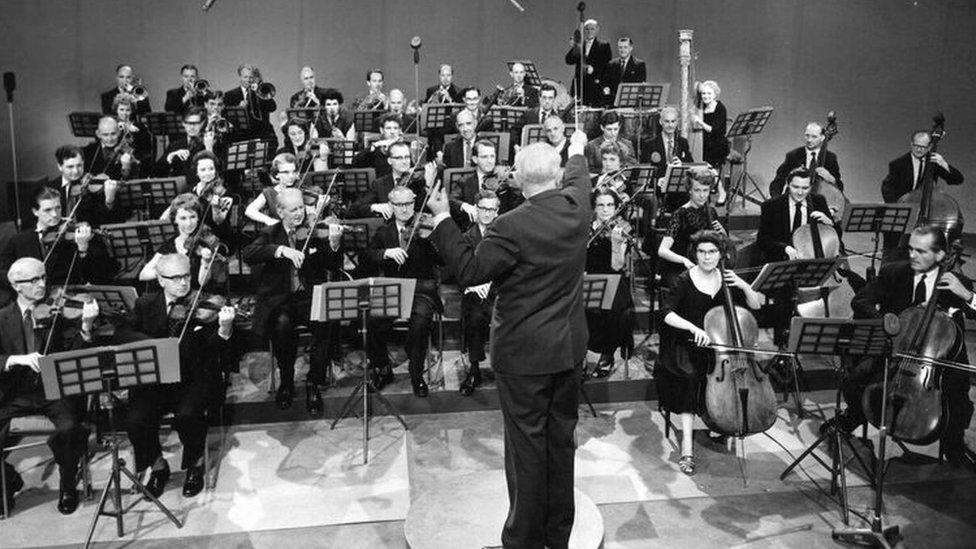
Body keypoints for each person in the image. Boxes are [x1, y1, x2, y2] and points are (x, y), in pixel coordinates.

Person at [424, 129, 590, 548]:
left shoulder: (510, 225)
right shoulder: (578, 207)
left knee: (526, 450)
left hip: (525, 356)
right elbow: (579, 174)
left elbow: (470, 271)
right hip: (568, 350)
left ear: (518, 176)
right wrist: (577, 148)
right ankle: (557, 538)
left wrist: (443, 217)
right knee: (560, 445)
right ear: (555, 174)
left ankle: (523, 543)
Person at [845, 226, 976, 468]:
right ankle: (850, 420)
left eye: (921, 251)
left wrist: (967, 295)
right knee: (858, 377)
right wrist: (888, 323)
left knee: (958, 396)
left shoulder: (958, 282)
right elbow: (860, 301)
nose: (913, 256)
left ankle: (953, 445)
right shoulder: (893, 272)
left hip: (939, 360)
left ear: (940, 255)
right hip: (896, 350)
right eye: (911, 249)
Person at [115, 253, 240, 498]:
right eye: (175, 278)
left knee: (188, 415)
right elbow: (122, 334)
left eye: (186, 276)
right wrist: (156, 345)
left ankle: (194, 465)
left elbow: (216, 346)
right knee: (135, 420)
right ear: (161, 280)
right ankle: (158, 465)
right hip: (156, 380)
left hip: (194, 379)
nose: (183, 283)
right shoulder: (146, 303)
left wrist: (225, 329)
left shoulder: (204, 306)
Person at [658, 230, 763, 475]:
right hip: (688, 344)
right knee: (689, 378)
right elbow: (665, 313)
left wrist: (745, 285)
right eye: (702, 252)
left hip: (720, 348)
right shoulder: (684, 280)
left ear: (721, 254)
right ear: (695, 254)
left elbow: (756, 305)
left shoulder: (727, 279)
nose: (707, 257)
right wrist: (692, 328)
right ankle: (686, 445)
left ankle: (721, 420)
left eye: (713, 252)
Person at [0, 257, 95, 515]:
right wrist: (14, 359)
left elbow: (78, 353)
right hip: (14, 394)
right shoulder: (2, 318)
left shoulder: (59, 314)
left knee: (69, 429)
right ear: (16, 285)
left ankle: (67, 485)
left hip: (53, 391)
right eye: (33, 280)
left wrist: (85, 327)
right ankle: (8, 480)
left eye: (43, 277)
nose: (42, 284)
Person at [242, 188, 343, 415]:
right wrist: (281, 250)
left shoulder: (314, 232)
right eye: (293, 209)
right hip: (280, 300)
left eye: (301, 208)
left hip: (309, 297)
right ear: (280, 211)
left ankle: (313, 382)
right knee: (281, 326)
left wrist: (334, 245)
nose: (299, 214)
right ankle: (286, 379)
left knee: (326, 322)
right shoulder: (271, 232)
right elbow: (249, 252)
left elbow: (332, 265)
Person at [364, 185, 442, 397]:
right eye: (399, 205)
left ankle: (416, 373)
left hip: (421, 291)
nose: (405, 209)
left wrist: (432, 241)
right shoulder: (383, 232)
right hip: (393, 289)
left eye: (409, 203)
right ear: (391, 206)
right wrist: (385, 253)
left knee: (420, 321)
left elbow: (442, 260)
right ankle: (383, 367)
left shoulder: (426, 229)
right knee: (372, 320)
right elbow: (367, 257)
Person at [756, 167, 835, 346]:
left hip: (813, 262)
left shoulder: (819, 201)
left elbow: (835, 236)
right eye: (795, 187)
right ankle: (782, 344)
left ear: (810, 187)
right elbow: (763, 240)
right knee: (784, 293)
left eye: (805, 188)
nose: (800, 192)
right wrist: (785, 248)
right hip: (783, 263)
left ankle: (819, 339)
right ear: (788, 185)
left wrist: (830, 223)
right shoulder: (771, 206)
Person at [0, 187, 119, 305]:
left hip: (67, 301)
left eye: (58, 208)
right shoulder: (19, 240)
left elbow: (93, 274)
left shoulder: (74, 237)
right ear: (35, 211)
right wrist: (22, 286)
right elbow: (3, 272)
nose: (55, 214)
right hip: (31, 301)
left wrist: (83, 249)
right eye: (48, 210)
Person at [880, 130, 964, 254]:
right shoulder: (898, 164)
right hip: (904, 211)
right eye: (916, 146)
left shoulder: (934, 162)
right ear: (911, 144)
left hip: (926, 214)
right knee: (892, 246)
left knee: (958, 218)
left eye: (923, 147)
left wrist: (944, 163)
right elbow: (887, 188)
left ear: (930, 147)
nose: (919, 150)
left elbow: (957, 179)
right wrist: (898, 207)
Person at [586, 187, 635, 377]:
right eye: (601, 205)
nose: (606, 210)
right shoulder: (585, 228)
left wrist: (616, 245)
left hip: (614, 279)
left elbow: (617, 266)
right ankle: (586, 353)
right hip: (589, 277)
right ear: (594, 208)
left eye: (610, 205)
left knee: (610, 310)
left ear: (616, 207)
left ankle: (606, 351)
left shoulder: (622, 229)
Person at [457, 190, 499, 396]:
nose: (487, 213)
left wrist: (490, 284)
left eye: (492, 209)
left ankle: (510, 369)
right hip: (473, 292)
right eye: (483, 208)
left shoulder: (505, 236)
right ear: (476, 209)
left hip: (499, 291)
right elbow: (459, 271)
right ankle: (474, 369)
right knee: (474, 316)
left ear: (497, 211)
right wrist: (472, 285)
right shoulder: (465, 238)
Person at [139, 193, 227, 291]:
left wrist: (205, 262)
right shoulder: (170, 244)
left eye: (193, 217)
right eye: (183, 218)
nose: (189, 223)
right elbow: (143, 274)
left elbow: (203, 283)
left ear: (198, 218)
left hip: (203, 295)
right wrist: (170, 271)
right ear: (175, 220)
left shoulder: (206, 242)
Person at [656, 169, 725, 291]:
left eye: (705, 190)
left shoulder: (711, 212)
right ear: (689, 191)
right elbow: (662, 251)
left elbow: (719, 246)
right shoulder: (680, 214)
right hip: (680, 267)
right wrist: (684, 261)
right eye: (697, 190)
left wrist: (723, 234)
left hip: (704, 265)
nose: (702, 195)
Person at [42, 145, 126, 228]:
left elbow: (109, 219)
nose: (75, 171)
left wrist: (109, 200)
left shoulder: (94, 184)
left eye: (79, 165)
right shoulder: (50, 188)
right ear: (60, 166)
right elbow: (43, 218)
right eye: (70, 167)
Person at [349, 141, 430, 219]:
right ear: (389, 161)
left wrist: (428, 186)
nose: (404, 161)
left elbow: (428, 209)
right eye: (399, 158)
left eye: (407, 157)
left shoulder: (419, 182)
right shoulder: (379, 184)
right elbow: (355, 208)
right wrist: (374, 207)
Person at [450, 140, 521, 225]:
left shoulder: (504, 183)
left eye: (492, 156)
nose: (490, 161)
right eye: (484, 157)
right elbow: (452, 200)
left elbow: (518, 206)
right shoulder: (465, 181)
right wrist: (465, 206)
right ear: (475, 159)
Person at [642, 106, 695, 213]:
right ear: (661, 122)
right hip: (659, 185)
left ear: (677, 122)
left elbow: (691, 165)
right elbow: (645, 171)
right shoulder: (650, 144)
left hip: (678, 185)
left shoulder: (682, 142)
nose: (670, 125)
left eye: (673, 121)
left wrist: (682, 164)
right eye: (667, 121)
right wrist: (657, 181)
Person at [769, 122, 842, 197]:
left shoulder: (830, 158)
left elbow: (840, 188)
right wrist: (777, 200)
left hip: (819, 204)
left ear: (822, 138)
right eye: (807, 136)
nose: (809, 140)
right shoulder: (793, 155)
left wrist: (832, 179)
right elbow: (778, 182)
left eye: (814, 137)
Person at [693, 80, 730, 205]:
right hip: (706, 143)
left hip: (718, 144)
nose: (706, 96)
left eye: (709, 94)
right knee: (703, 164)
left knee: (709, 166)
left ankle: (721, 191)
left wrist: (699, 122)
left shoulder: (720, 107)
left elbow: (714, 130)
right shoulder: (702, 107)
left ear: (715, 94)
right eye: (703, 94)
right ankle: (709, 191)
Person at [224, 64, 277, 150]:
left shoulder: (260, 91)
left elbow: (272, 107)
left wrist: (259, 92)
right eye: (245, 77)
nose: (248, 80)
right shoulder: (230, 95)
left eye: (251, 77)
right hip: (240, 138)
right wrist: (238, 108)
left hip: (261, 136)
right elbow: (226, 117)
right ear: (240, 77)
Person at [158, 107, 219, 179]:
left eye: (196, 123)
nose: (192, 127)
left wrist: (209, 149)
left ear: (202, 124)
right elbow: (157, 171)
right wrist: (170, 156)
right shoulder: (175, 145)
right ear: (183, 123)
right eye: (188, 123)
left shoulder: (210, 142)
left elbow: (218, 173)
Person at [565, 19, 612, 107]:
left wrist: (594, 70)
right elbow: (569, 60)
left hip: (594, 87)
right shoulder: (580, 45)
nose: (589, 31)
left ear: (597, 29)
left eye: (592, 29)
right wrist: (575, 47)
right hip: (579, 87)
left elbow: (608, 67)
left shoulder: (604, 45)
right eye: (587, 29)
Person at [83, 116, 142, 181]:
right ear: (98, 134)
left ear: (119, 132)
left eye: (113, 134)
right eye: (105, 135)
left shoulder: (127, 152)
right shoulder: (87, 151)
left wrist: (126, 168)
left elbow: (133, 180)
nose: (110, 139)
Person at [350, 114, 403, 178]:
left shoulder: (405, 148)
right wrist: (372, 148)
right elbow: (355, 163)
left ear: (400, 130)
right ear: (381, 130)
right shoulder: (376, 149)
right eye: (388, 128)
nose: (392, 132)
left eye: (395, 128)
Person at [113, 93, 155, 170]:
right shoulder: (111, 125)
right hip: (115, 161)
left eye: (128, 110)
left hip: (134, 162)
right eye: (121, 110)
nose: (124, 113)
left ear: (132, 111)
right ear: (116, 110)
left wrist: (137, 132)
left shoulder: (139, 126)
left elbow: (146, 149)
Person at [602, 36, 646, 105]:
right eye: (620, 47)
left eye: (625, 47)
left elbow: (640, 86)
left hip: (631, 104)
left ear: (631, 48)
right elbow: (606, 83)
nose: (622, 50)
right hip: (614, 104)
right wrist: (606, 89)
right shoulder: (611, 64)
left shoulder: (639, 65)